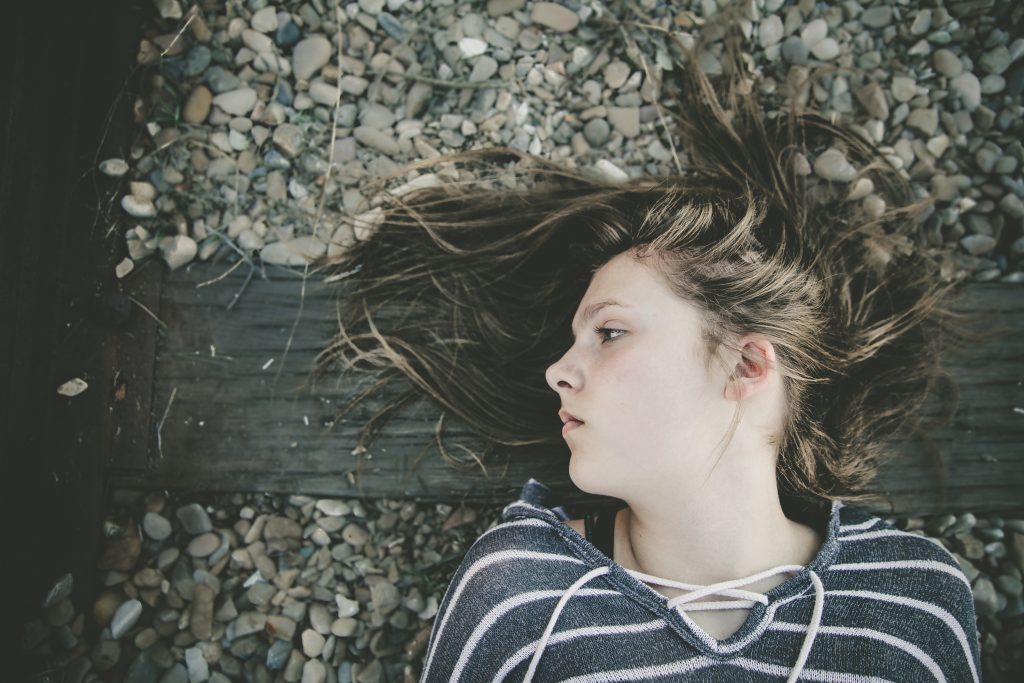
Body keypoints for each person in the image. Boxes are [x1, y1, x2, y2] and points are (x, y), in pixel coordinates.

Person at [311, 4, 1001, 680]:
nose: (558, 369)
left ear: (746, 362)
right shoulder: (521, 596)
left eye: (608, 331)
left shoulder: (911, 604)